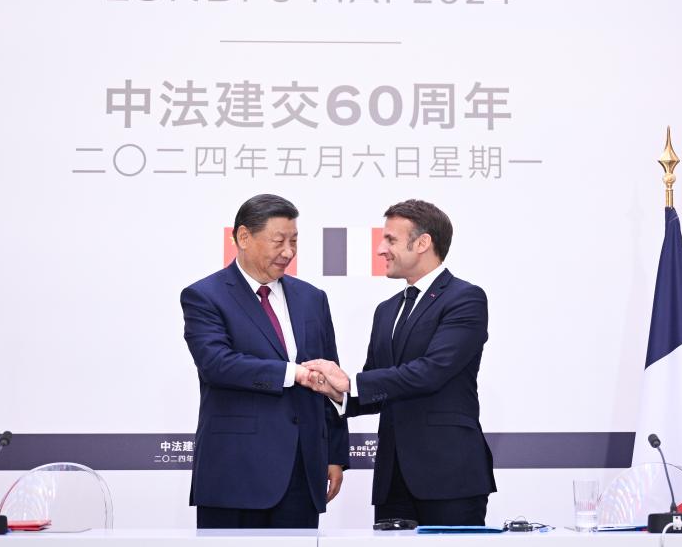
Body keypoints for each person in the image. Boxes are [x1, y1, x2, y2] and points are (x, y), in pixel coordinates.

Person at [303, 199, 495, 525]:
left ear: (422, 243)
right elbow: (376, 384)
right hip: (392, 479)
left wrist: (351, 383)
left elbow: (432, 372)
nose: (381, 249)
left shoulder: (465, 298)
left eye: (390, 240)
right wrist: (336, 392)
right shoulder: (386, 310)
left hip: (449, 475)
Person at [181, 194, 349, 528]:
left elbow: (329, 375)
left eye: (294, 241)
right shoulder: (205, 296)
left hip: (302, 471)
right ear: (244, 237)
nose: (288, 252)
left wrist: (335, 454)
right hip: (235, 472)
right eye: (278, 241)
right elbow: (217, 364)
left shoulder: (312, 298)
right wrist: (293, 373)